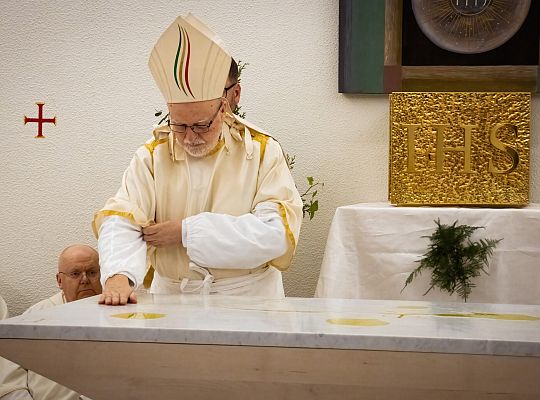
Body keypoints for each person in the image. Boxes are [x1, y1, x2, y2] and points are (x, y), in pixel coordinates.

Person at [93, 13, 302, 305]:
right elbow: (123, 214)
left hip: (246, 298)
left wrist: (186, 232)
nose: (190, 137)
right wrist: (117, 274)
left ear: (226, 106)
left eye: (202, 125)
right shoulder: (153, 155)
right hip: (171, 297)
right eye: (179, 125)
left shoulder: (261, 152)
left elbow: (274, 234)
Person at [0, 245, 100, 400]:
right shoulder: (35, 316)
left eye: (92, 272)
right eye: (75, 274)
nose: (85, 280)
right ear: (60, 280)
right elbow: (10, 378)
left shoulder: (125, 315)